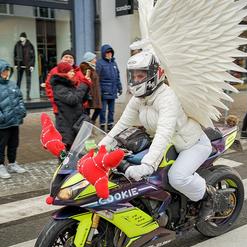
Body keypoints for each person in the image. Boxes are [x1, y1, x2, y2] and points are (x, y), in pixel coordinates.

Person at [101, 51, 217, 220]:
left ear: (154, 74)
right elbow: (122, 124)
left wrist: (147, 165)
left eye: (141, 75)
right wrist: (101, 147)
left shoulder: (167, 98)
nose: (136, 80)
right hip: (169, 145)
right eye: (133, 76)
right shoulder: (139, 99)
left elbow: (164, 132)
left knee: (177, 177)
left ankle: (208, 197)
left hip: (192, 144)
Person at [50, 62, 91, 150]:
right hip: (67, 127)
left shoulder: (70, 84)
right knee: (66, 155)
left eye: (73, 71)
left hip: (75, 124)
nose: (73, 73)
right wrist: (84, 84)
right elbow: (73, 100)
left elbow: (80, 100)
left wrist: (87, 87)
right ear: (64, 73)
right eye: (70, 71)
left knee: (76, 153)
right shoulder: (59, 87)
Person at [45, 50, 91, 124]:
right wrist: (56, 103)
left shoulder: (78, 71)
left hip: (79, 106)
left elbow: (83, 86)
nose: (68, 59)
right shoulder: (54, 71)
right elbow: (49, 88)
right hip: (63, 108)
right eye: (66, 57)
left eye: (71, 57)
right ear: (61, 59)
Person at [0, 59, 27, 179]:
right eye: (3, 71)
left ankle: (12, 163)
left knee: (13, 143)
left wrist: (22, 111)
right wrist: (2, 117)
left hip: (15, 121)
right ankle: (1, 166)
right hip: (3, 123)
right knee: (1, 145)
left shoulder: (12, 84)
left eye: (7, 70)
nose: (6, 73)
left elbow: (20, 98)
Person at [96, 44, 122, 132]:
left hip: (113, 91)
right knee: (103, 110)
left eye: (110, 52)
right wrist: (98, 91)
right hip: (104, 92)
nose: (109, 54)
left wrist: (120, 87)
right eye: (107, 52)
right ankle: (102, 125)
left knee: (111, 110)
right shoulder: (99, 63)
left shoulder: (114, 63)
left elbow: (117, 77)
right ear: (104, 53)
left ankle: (110, 124)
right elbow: (97, 78)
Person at [80, 52, 102, 124]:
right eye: (94, 58)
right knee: (87, 111)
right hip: (90, 94)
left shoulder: (92, 67)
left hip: (95, 93)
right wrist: (88, 93)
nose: (96, 60)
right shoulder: (86, 69)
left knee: (98, 108)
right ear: (90, 59)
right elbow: (86, 81)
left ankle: (90, 123)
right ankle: (87, 125)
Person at [14, 32, 35, 100]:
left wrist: (32, 65)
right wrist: (15, 64)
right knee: (19, 80)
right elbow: (15, 55)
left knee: (28, 81)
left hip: (28, 65)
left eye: (22, 37)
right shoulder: (17, 45)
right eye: (20, 37)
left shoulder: (30, 45)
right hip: (20, 65)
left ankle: (28, 95)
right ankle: (17, 95)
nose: (21, 38)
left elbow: (33, 56)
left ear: (25, 38)